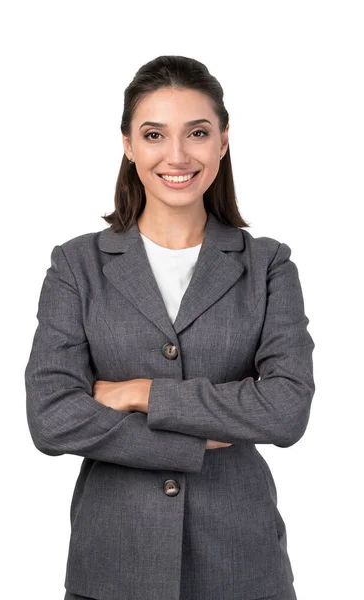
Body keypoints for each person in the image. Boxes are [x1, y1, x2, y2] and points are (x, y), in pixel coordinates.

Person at [25, 55, 315, 600]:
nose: (176, 156)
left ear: (223, 142)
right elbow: (52, 418)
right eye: (154, 134)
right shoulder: (77, 265)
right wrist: (191, 444)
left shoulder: (269, 264)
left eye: (197, 133)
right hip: (113, 568)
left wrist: (141, 394)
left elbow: (286, 409)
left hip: (241, 567)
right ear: (129, 145)